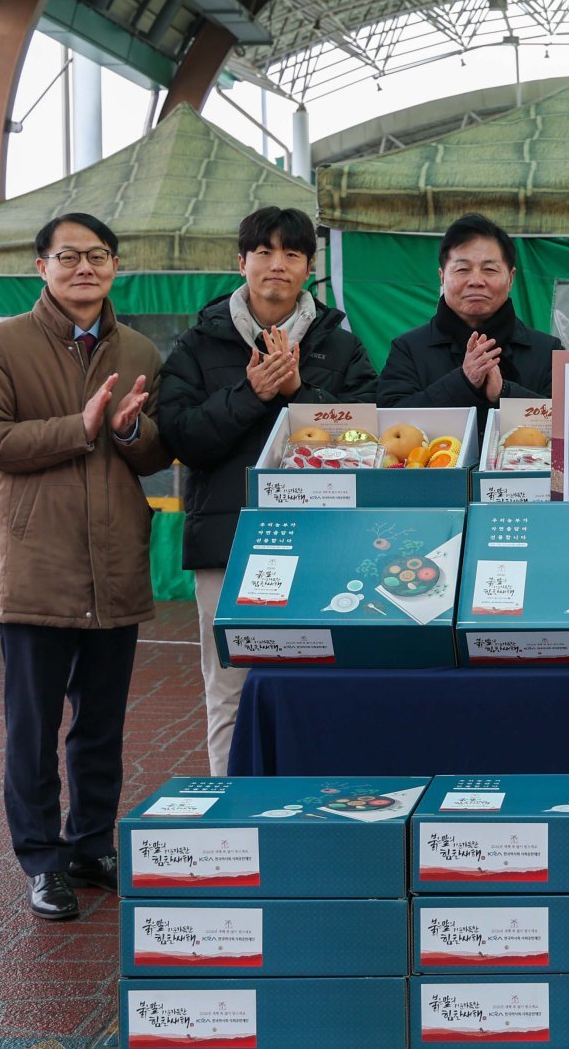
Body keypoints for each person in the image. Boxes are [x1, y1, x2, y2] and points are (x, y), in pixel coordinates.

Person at [0, 213, 171, 919]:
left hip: (113, 561)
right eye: (69, 255)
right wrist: (76, 431)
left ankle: (91, 845)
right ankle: (43, 860)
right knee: (33, 724)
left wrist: (130, 431)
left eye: (100, 255)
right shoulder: (3, 344)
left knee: (102, 723)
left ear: (115, 266)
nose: (86, 267)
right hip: (35, 563)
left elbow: (153, 455)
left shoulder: (137, 347)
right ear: (41, 266)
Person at [157, 206, 378, 777]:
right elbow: (179, 437)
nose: (277, 265)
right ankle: (235, 816)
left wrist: (302, 390)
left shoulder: (340, 345)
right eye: (264, 252)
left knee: (321, 682)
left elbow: (368, 436)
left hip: (325, 545)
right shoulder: (199, 343)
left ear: (309, 267)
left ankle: (320, 812)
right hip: (226, 545)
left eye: (292, 254)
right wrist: (250, 393)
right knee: (228, 688)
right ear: (242, 263)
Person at [376, 213, 561, 419]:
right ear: (442, 277)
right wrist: (463, 382)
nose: (476, 281)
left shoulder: (549, 352)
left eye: (489, 269)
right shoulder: (408, 350)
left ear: (510, 278)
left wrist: (505, 392)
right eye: (462, 269)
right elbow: (390, 421)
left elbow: (567, 424)